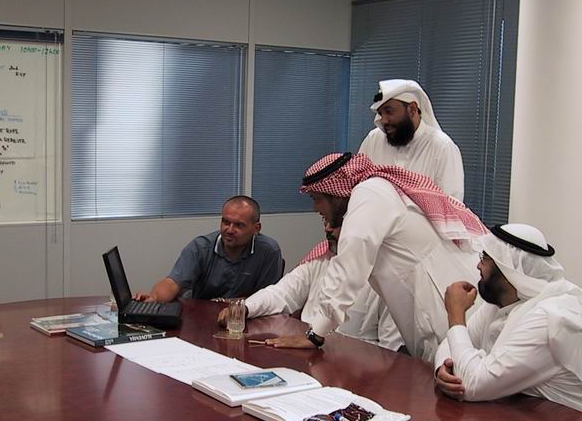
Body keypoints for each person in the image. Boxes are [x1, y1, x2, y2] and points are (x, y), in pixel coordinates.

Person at [265, 152, 485, 362]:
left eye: (317, 199)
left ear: (337, 194)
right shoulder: (377, 193)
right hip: (432, 311)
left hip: (446, 307)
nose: (315, 208)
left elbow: (348, 268)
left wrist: (315, 334)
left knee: (457, 374)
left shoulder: (369, 193)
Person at [433, 223, 582, 421]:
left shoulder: (548, 319)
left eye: (484, 258)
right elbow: (452, 345)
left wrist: (455, 313)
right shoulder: (504, 301)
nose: (478, 266)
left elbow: (470, 385)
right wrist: (443, 369)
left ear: (507, 267)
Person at [218, 221, 403, 350]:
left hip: (354, 371)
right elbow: (281, 293)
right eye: (325, 222)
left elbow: (391, 353)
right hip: (304, 356)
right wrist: (245, 309)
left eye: (336, 224)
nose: (328, 229)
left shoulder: (390, 278)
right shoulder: (321, 261)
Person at [136, 195, 283, 302]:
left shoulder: (269, 251)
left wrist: (227, 304)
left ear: (256, 228)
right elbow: (172, 283)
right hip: (200, 316)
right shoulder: (201, 247)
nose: (229, 230)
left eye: (239, 225)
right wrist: (153, 299)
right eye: (226, 222)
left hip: (244, 317)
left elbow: (269, 298)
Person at [358, 79, 465, 201]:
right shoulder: (373, 140)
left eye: (389, 112)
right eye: (381, 113)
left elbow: (451, 206)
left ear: (412, 109)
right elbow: (357, 187)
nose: (383, 120)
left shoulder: (442, 147)